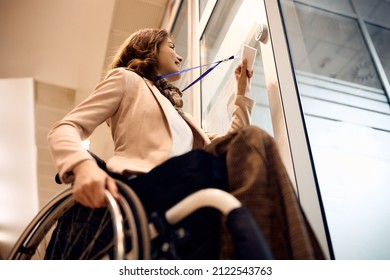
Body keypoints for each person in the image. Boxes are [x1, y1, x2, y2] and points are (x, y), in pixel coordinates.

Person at [47, 28, 324, 259]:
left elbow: (235, 142)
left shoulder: (181, 116)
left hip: (184, 181)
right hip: (140, 190)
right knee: (218, 158)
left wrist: (242, 92)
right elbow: (66, 127)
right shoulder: (125, 79)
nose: (179, 55)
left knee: (253, 143)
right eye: (171, 46)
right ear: (149, 48)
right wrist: (83, 168)